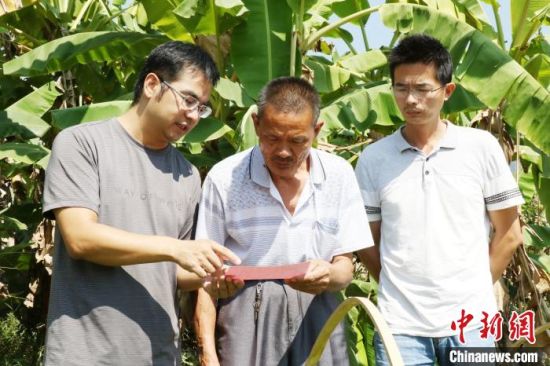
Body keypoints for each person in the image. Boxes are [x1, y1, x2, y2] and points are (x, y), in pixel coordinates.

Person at [42, 41, 241, 366]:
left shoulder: (187, 174)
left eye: (202, 107)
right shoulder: (81, 144)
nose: (194, 115)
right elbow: (80, 239)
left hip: (158, 355)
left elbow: (172, 270)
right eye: (188, 100)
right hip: (85, 355)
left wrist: (211, 277)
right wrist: (174, 248)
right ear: (152, 84)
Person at [355, 34, 524, 365]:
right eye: (401, 88)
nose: (411, 99)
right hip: (400, 327)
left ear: (447, 92)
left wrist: (471, 287)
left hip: (470, 325)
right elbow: (367, 242)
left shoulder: (481, 148)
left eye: (422, 89)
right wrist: (398, 287)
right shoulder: (374, 159)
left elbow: (510, 233)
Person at [193, 76, 374, 365]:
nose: (284, 152)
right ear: (256, 125)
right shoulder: (225, 178)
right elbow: (206, 276)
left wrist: (327, 274)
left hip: (319, 309)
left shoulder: (338, 175)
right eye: (272, 138)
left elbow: (345, 268)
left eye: (297, 140)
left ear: (316, 130)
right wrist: (207, 353)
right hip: (244, 313)